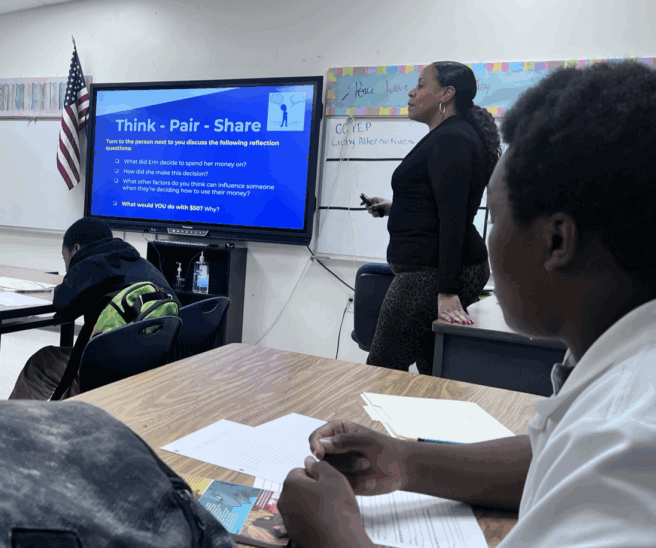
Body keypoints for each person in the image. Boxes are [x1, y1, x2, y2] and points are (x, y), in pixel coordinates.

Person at [277, 61, 656, 548]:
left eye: (495, 220)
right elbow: (557, 454)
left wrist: (336, 535)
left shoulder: (633, 431)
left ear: (557, 240)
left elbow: (604, 451)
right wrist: (403, 460)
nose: (490, 239)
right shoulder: (615, 364)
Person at [362, 61, 501, 373]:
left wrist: (448, 290)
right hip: (436, 270)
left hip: (432, 274)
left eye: (422, 84)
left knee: (381, 371)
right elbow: (439, 205)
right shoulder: (449, 135)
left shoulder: (451, 139)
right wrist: (393, 207)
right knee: (431, 370)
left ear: (447, 94)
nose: (412, 92)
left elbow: (453, 217)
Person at [8, 217, 173, 400]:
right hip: (160, 359)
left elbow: (64, 306)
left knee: (41, 364)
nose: (66, 266)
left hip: (114, 366)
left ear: (77, 249)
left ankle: (13, 426)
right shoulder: (142, 263)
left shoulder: (92, 263)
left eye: (65, 259)